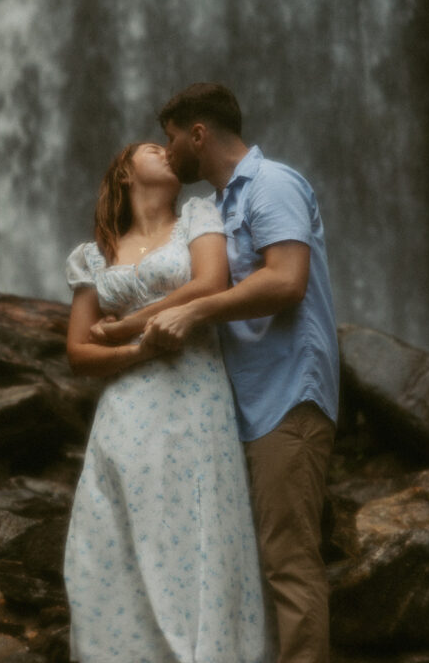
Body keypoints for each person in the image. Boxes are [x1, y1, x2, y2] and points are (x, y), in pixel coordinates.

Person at [97, 85, 340, 663]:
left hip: (289, 395)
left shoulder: (271, 184)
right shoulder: (221, 207)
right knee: (260, 557)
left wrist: (193, 309)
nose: (167, 148)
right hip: (249, 401)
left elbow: (286, 281)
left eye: (171, 137)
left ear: (198, 135)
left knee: (288, 559)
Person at [64, 140, 271, 663]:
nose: (165, 151)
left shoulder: (199, 217)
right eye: (152, 147)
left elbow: (210, 283)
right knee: (114, 534)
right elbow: (78, 351)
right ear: (125, 174)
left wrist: (131, 323)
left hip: (193, 395)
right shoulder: (93, 254)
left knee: (193, 527)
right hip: (124, 408)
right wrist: (139, 350)